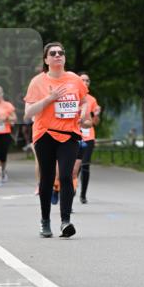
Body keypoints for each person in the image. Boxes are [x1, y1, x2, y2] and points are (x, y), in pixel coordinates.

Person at [24, 42, 90, 238]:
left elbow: (84, 100)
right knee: (47, 178)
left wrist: (83, 114)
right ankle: (45, 221)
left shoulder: (75, 80)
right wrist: (49, 99)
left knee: (66, 176)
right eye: (52, 53)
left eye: (61, 52)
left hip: (69, 134)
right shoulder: (38, 82)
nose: (57, 55)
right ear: (46, 60)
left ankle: (65, 221)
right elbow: (28, 113)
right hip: (45, 134)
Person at [74, 72, 101, 204]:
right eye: (82, 80)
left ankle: (83, 195)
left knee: (85, 165)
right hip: (73, 135)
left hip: (88, 135)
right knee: (74, 167)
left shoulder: (92, 100)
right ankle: (71, 191)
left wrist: (96, 115)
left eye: (87, 80)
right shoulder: (71, 97)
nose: (85, 82)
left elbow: (95, 122)